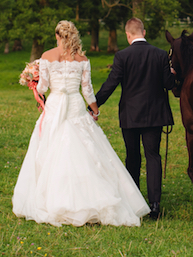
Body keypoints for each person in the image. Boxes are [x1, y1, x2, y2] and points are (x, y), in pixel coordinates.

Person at [12, 21, 149, 227]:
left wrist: (34, 83)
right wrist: (95, 109)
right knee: (88, 149)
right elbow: (87, 91)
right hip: (75, 105)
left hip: (56, 104)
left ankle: (53, 199)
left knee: (51, 149)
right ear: (73, 36)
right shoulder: (83, 59)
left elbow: (44, 86)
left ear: (58, 36)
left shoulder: (47, 57)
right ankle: (92, 198)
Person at [95, 18, 176, 220]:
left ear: (128, 34)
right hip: (154, 115)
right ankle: (155, 204)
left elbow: (111, 83)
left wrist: (94, 104)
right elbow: (168, 84)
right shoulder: (160, 54)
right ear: (144, 32)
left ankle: (134, 201)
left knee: (133, 156)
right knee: (153, 156)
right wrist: (172, 73)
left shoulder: (122, 56)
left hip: (130, 115)